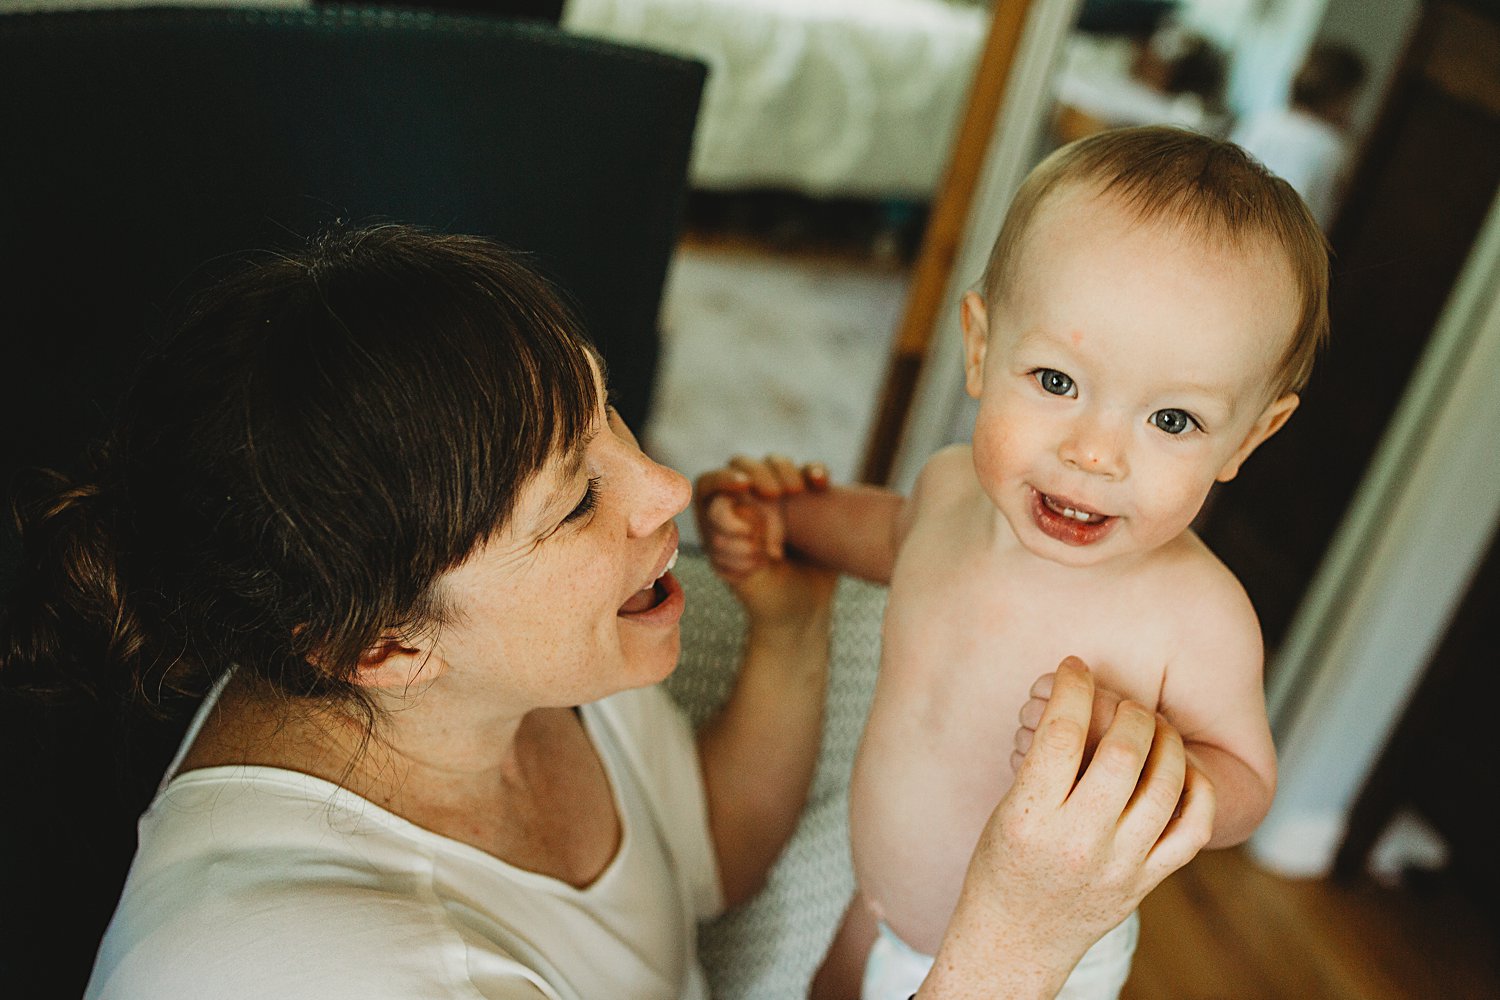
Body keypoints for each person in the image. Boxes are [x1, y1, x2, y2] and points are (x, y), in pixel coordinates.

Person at [0, 224, 1213, 1000]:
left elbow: (697, 860)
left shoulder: (495, 674)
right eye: (579, 501)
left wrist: (787, 632)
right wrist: (1014, 943)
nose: (666, 489)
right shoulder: (309, 971)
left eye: (607, 411)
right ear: (382, 644)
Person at [697, 125, 1328, 1000]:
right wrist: (785, 517)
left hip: (1042, 961)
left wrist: (1148, 769)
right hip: (877, 901)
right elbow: (892, 539)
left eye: (1173, 420)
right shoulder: (951, 490)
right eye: (1059, 382)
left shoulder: (1197, 616)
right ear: (982, 347)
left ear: (1248, 438)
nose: (1096, 454)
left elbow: (1248, 782)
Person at [1231, 41, 1369, 230]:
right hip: (1295, 237)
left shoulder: (1261, 122)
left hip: (1236, 222)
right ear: (1340, 96)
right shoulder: (1332, 147)